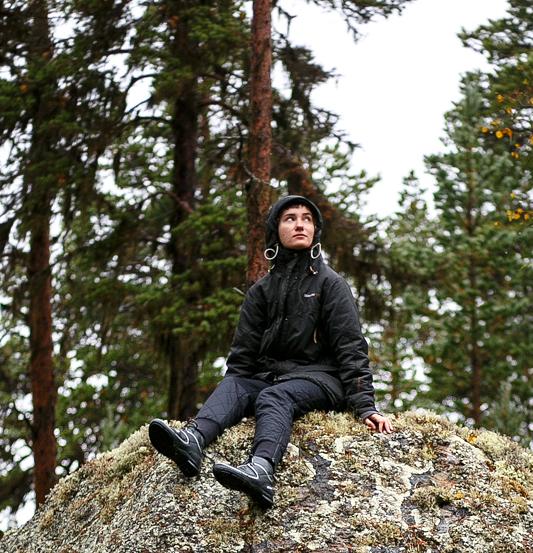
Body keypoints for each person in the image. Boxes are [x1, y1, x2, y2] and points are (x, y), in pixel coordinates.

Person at [148, 195, 395, 508]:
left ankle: (261, 470)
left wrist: (365, 405)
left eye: (307, 218)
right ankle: (193, 440)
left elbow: (351, 346)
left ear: (315, 230)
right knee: (237, 382)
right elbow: (241, 360)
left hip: (323, 379)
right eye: (290, 218)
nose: (300, 224)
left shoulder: (331, 284)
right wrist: (235, 394)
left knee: (272, 397)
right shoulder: (261, 291)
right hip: (276, 377)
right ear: (276, 230)